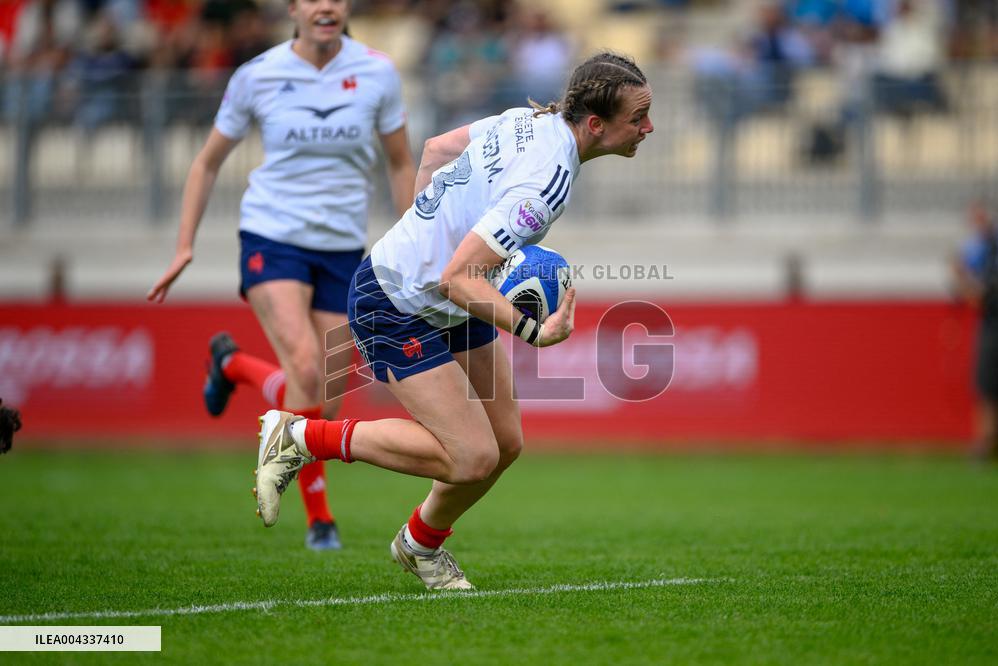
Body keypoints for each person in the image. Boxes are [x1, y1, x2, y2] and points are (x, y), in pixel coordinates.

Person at [252, 51, 654, 589]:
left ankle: (419, 544)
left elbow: (436, 150)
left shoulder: (528, 119)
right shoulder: (549, 183)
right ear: (597, 124)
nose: (649, 127)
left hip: (440, 296)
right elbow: (457, 278)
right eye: (639, 117)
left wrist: (425, 226)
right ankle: (300, 436)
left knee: (505, 443)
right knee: (471, 458)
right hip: (394, 301)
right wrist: (536, 331)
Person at [147, 0, 416, 550]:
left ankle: (234, 364)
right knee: (304, 365)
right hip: (272, 238)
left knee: (329, 401)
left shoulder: (377, 72)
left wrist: (415, 242)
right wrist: (183, 245)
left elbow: (399, 162)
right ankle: (320, 519)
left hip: (342, 249)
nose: (326, 6)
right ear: (292, 8)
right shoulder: (257, 75)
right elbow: (207, 161)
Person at [952, 201, 998, 461]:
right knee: (987, 386)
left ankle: (987, 443)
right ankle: (988, 442)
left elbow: (979, 295)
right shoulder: (980, 248)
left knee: (988, 386)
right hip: (991, 321)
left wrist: (961, 276)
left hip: (994, 322)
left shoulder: (990, 249)